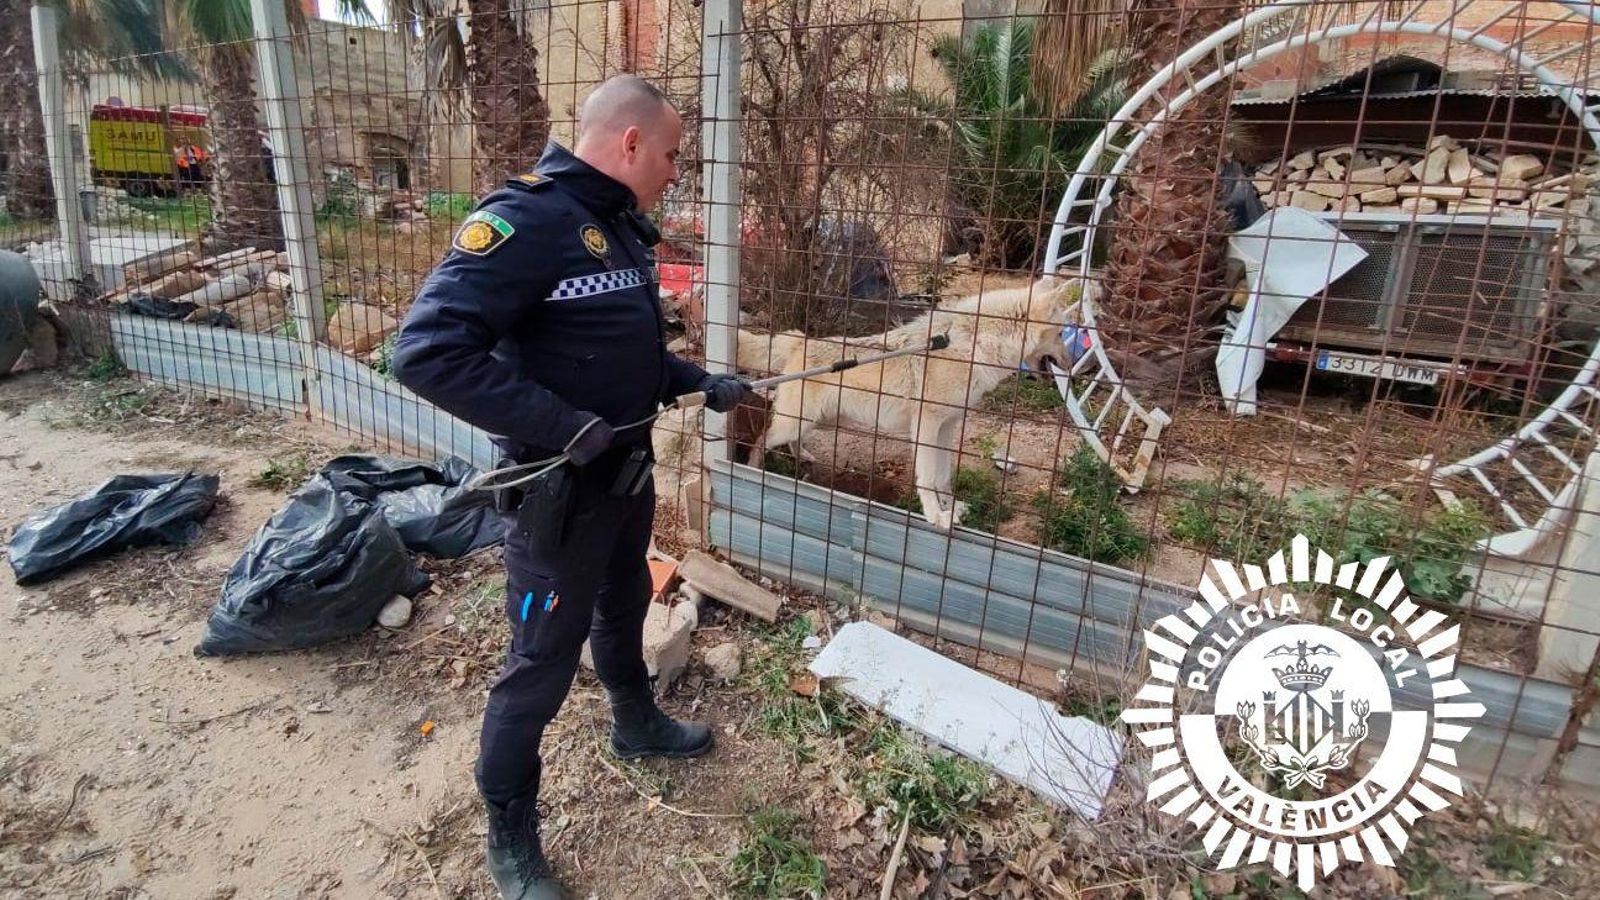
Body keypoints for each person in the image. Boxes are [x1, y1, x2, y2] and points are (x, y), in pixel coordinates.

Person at [392, 75, 748, 900]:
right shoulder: (526, 220)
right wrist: (560, 425)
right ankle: (510, 837)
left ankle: (636, 723)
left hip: (625, 477)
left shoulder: (614, 227)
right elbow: (425, 351)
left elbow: (617, 352)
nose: (673, 170)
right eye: (669, 154)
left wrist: (697, 380)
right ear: (628, 144)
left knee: (625, 602)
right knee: (539, 665)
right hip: (561, 496)